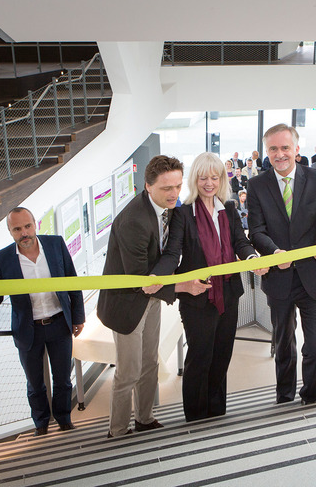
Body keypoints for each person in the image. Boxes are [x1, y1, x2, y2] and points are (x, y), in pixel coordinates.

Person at [97, 155, 208, 439]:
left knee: (150, 364)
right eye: (166, 188)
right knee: (128, 371)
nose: (174, 194)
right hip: (127, 305)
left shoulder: (168, 207)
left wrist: (164, 279)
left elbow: (167, 257)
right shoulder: (133, 221)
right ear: (147, 186)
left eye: (178, 186)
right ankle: (118, 431)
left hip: (151, 298)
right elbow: (140, 283)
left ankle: (145, 419)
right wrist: (183, 286)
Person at [151, 153, 267, 422]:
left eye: (214, 177)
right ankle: (195, 416)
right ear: (195, 179)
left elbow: (241, 243)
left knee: (222, 356)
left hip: (228, 294)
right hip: (197, 298)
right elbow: (172, 253)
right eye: (203, 177)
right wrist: (158, 275)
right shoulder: (182, 213)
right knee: (200, 357)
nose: (209, 183)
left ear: (222, 179)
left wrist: (251, 258)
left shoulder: (228, 209)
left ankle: (216, 413)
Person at [0, 207, 85, 437]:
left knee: (63, 379)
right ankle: (41, 423)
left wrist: (78, 317)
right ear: (10, 232)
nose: (24, 233)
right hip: (29, 331)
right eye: (17, 229)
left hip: (59, 324)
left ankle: (64, 419)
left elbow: (72, 281)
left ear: (35, 224)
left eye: (27, 226)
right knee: (35, 383)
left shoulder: (56, 244)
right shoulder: (3, 259)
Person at [247, 124, 316, 406]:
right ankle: (285, 397)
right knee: (284, 344)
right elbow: (256, 230)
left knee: (315, 345)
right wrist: (274, 251)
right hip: (280, 278)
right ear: (267, 152)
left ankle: (310, 396)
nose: (280, 154)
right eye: (273, 149)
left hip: (313, 274)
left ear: (297, 149)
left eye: (285, 147)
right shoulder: (256, 185)